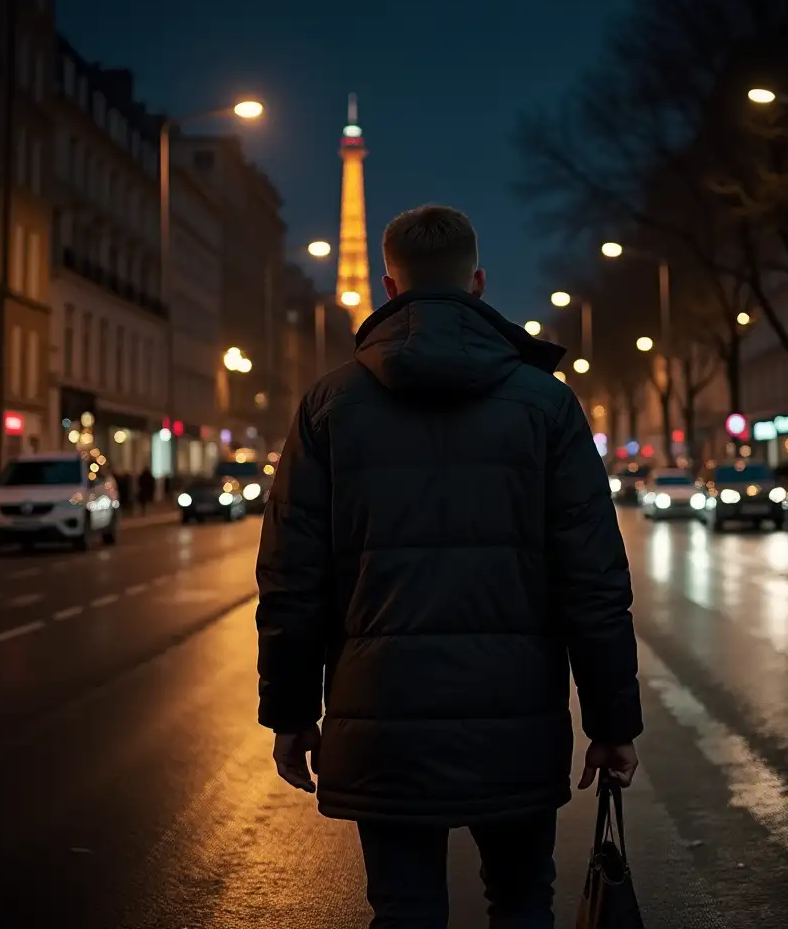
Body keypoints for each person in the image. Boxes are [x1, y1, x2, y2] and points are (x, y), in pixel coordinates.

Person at [256, 204, 642, 927]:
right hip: (516, 717)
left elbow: (290, 579)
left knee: (404, 909)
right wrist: (613, 721)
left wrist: (290, 712)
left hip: (383, 719)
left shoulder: (328, 406)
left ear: (389, 287)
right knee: (523, 901)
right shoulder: (546, 406)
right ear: (479, 283)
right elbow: (593, 581)